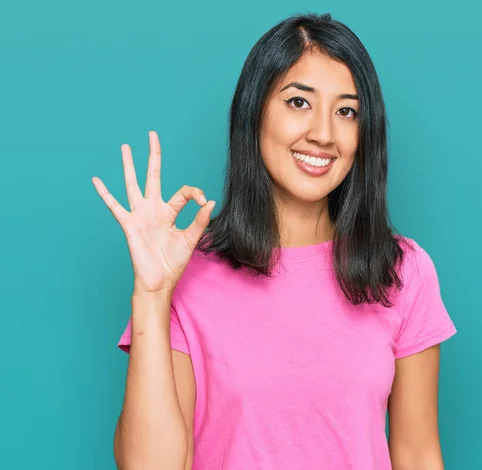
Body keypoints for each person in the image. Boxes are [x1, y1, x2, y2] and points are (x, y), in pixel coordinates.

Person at [92, 12, 457, 470]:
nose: (323, 133)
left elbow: (418, 453)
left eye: (346, 111)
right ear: (255, 111)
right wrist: (152, 295)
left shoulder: (403, 271)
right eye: (299, 103)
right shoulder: (188, 273)